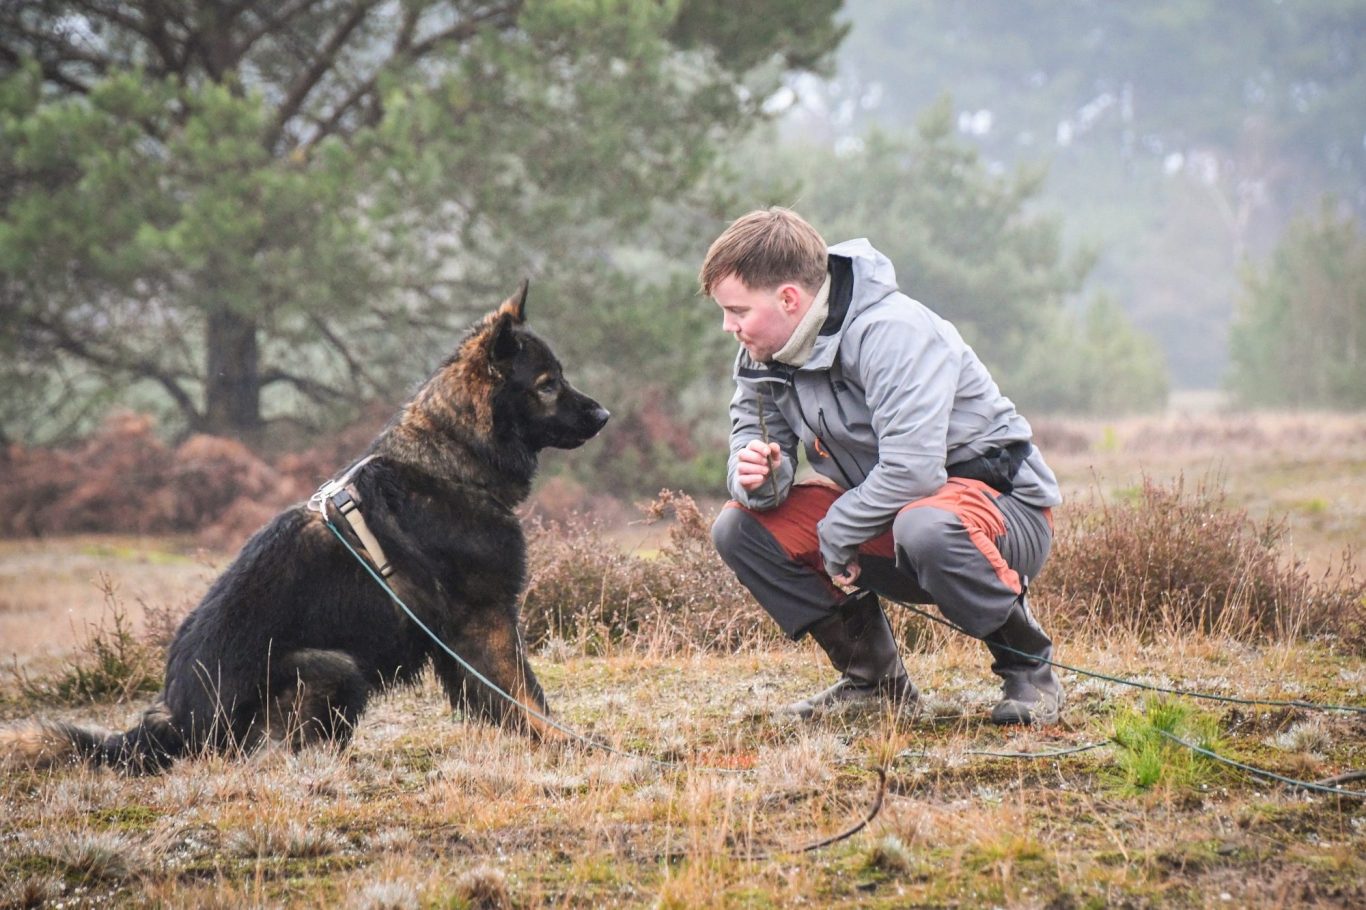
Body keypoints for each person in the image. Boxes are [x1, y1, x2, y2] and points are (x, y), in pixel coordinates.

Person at [705, 207, 1064, 724]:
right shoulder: (764, 351)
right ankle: (874, 683)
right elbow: (752, 442)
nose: (728, 326)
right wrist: (757, 475)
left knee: (925, 524)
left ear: (788, 298)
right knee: (738, 528)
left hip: (1004, 517)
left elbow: (913, 474)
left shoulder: (893, 333)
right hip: (892, 524)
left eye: (737, 310)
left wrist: (837, 534)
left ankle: (1031, 675)